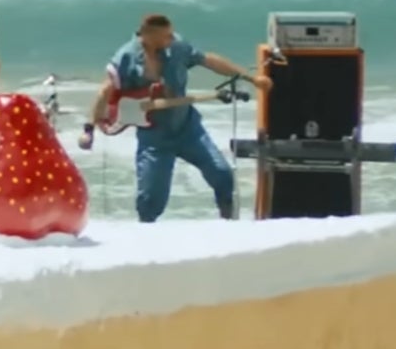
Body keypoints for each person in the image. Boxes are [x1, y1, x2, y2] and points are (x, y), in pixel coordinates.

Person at [81, 14, 272, 222]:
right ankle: (146, 234)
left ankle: (228, 221)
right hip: (155, 138)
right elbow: (105, 92)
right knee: (150, 200)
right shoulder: (126, 57)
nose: (172, 38)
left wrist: (251, 78)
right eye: (166, 36)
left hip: (188, 129)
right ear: (149, 36)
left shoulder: (178, 47)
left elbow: (208, 60)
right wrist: (89, 129)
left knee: (222, 174)